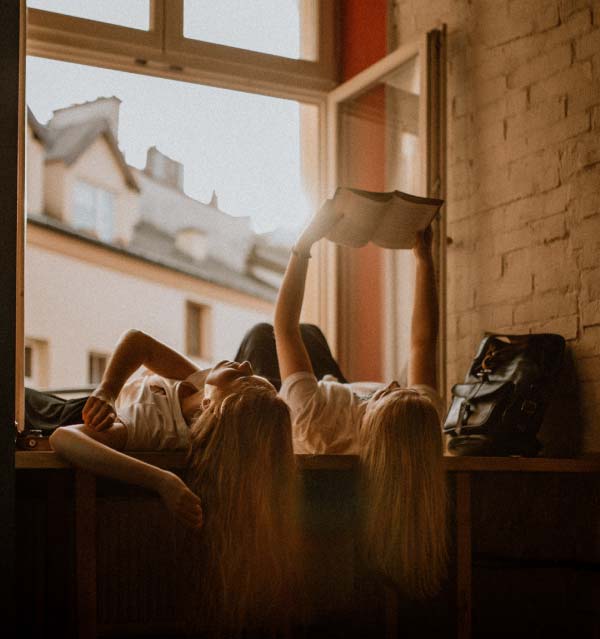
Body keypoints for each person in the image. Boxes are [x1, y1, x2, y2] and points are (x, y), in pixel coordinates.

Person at [48, 329, 300, 635]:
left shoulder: (153, 425)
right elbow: (139, 343)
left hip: (50, 413)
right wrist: (107, 390)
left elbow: (63, 438)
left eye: (243, 380)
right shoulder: (202, 383)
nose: (245, 365)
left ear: (216, 410)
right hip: (86, 399)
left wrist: (161, 480)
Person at [272, 201, 448, 600]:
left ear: (371, 421)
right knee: (313, 334)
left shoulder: (315, 418)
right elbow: (424, 341)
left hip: (305, 407)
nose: (389, 385)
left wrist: (305, 242)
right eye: (398, 389)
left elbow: (282, 327)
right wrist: (425, 261)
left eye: (386, 394)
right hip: (334, 390)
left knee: (271, 335)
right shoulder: (420, 418)